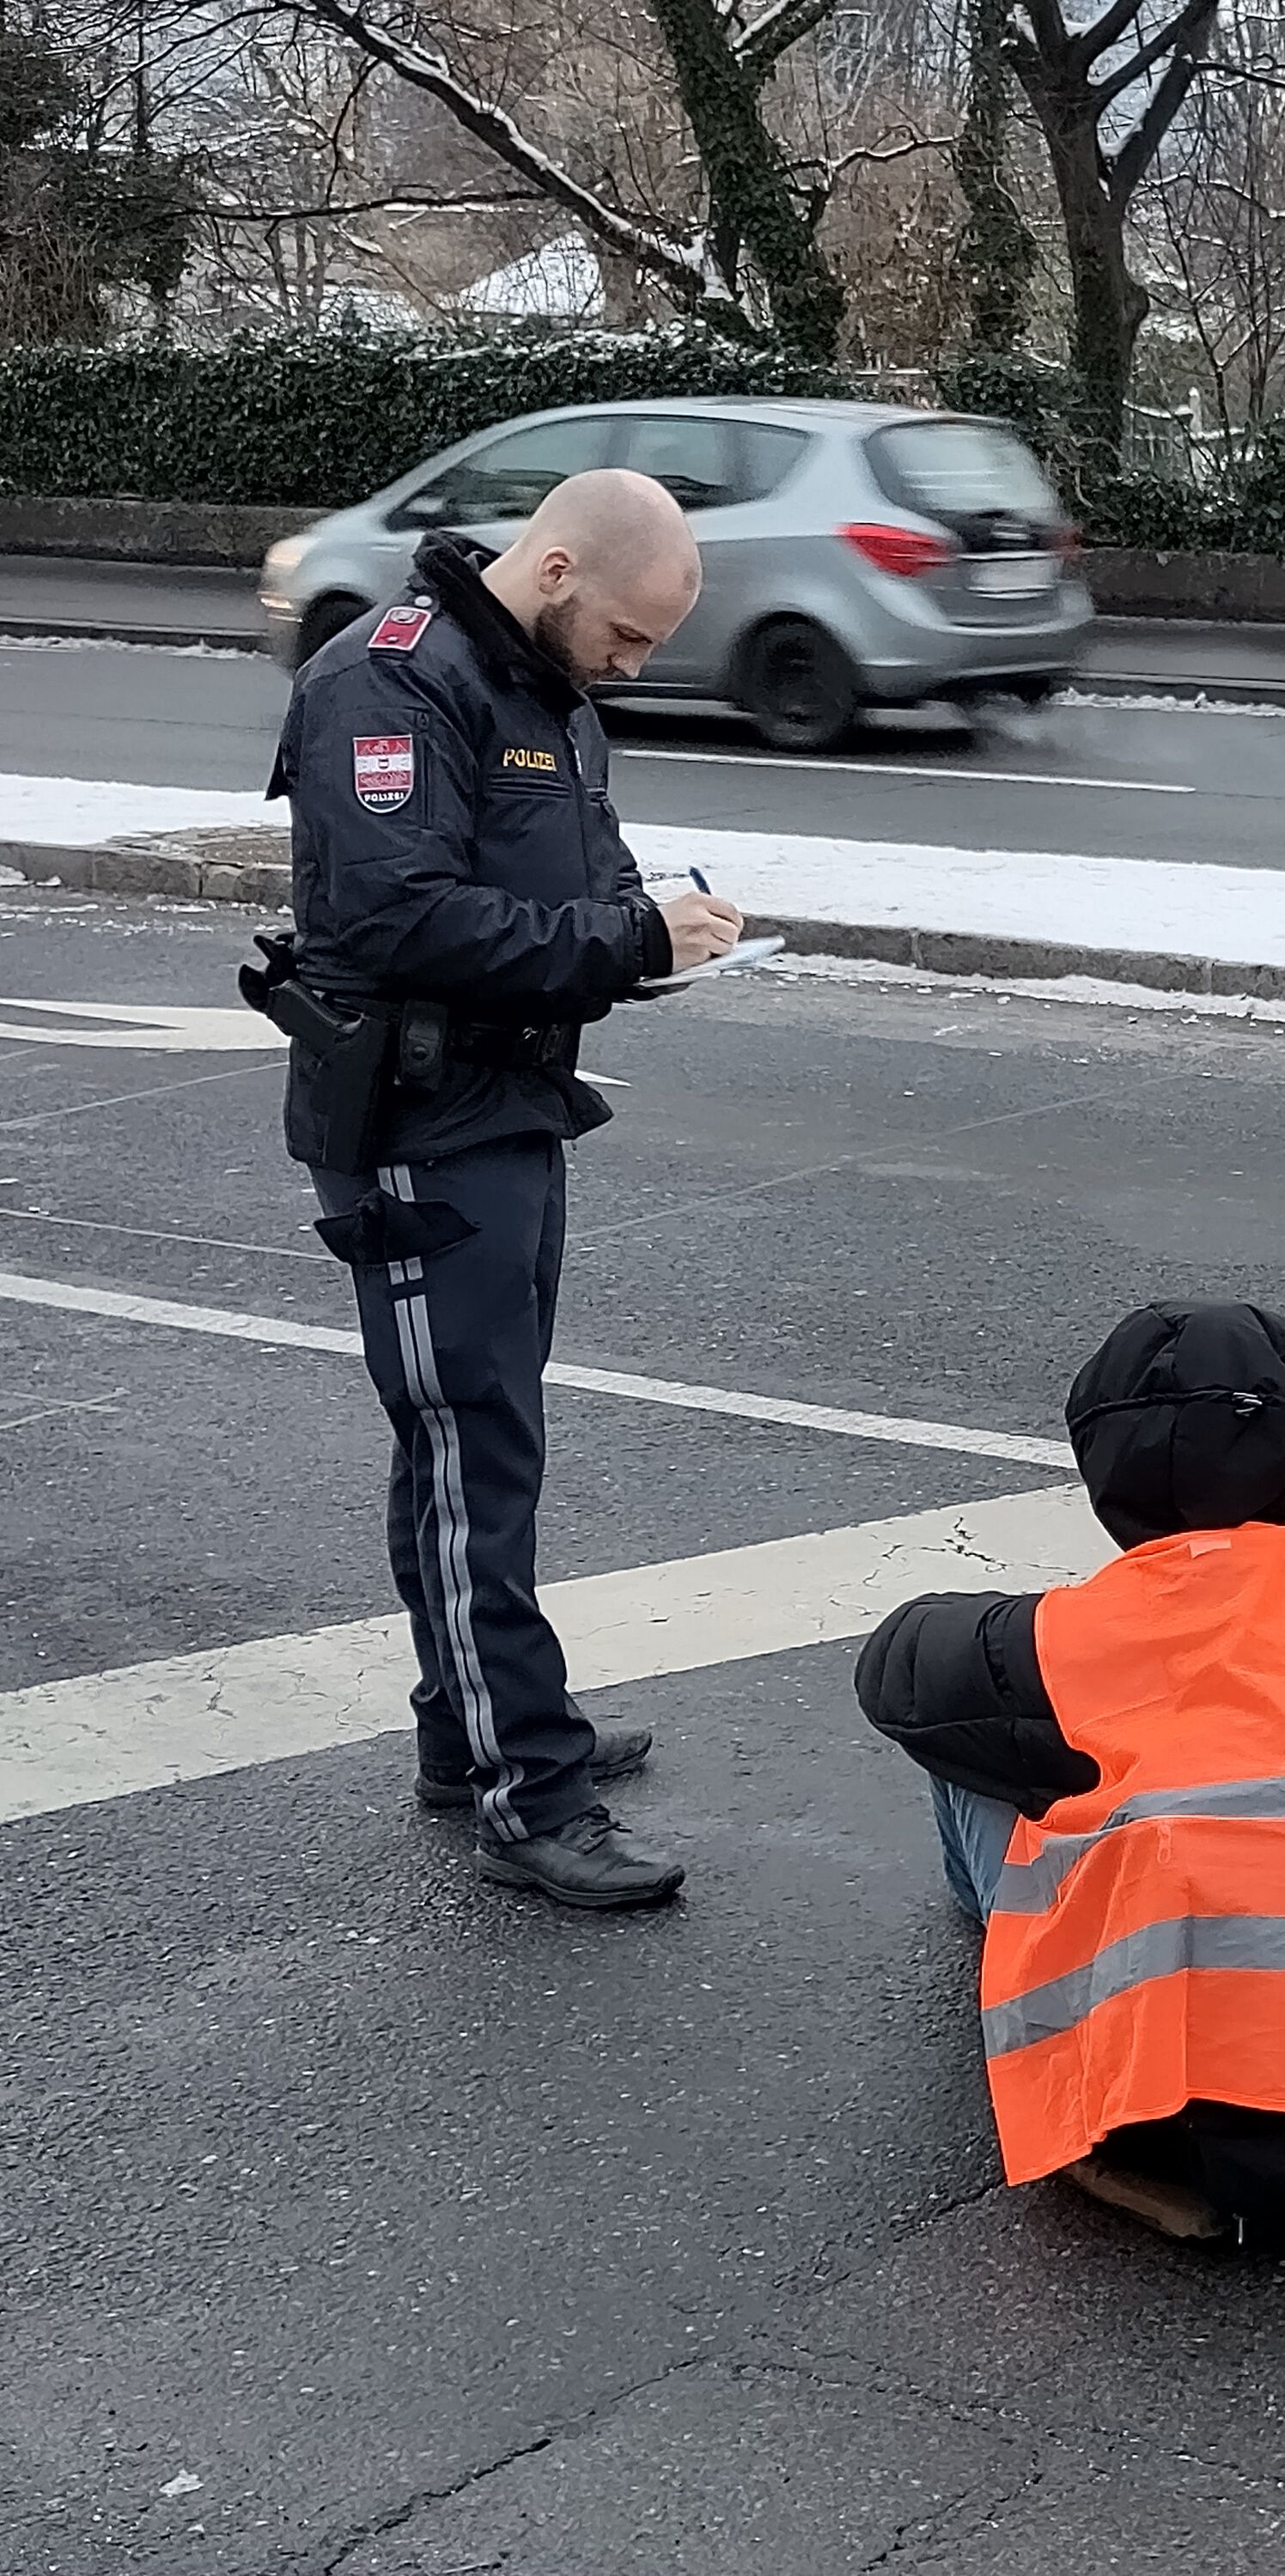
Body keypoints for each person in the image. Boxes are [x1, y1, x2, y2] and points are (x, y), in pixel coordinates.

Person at [257, 470, 740, 1910]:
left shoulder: (539, 684)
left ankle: (467, 1733)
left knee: (473, 1447)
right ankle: (530, 1789)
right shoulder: (389, 682)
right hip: (417, 1122)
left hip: (506, 1109)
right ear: (555, 570)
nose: (635, 668)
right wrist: (620, 945)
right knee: (476, 1457)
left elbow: (581, 886)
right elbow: (393, 917)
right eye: (629, 637)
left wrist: (663, 929)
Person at [858, 1301, 1285, 2245]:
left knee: (977, 1745)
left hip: (1173, 2136)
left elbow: (892, 1670)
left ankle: (1055, 2034)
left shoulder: (1059, 1643)